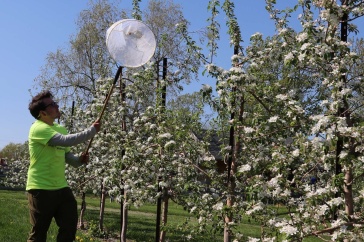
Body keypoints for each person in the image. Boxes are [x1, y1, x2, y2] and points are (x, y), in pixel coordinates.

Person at [26, 90, 101, 242]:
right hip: (40, 189)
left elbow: (67, 157)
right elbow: (66, 141)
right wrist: (92, 131)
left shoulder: (60, 129)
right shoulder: (38, 128)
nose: (57, 105)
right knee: (39, 234)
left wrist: (79, 159)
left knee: (69, 228)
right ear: (42, 113)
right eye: (52, 104)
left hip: (61, 188)